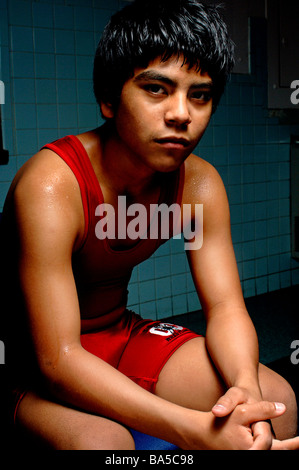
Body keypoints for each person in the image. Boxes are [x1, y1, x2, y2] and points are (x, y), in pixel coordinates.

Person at [0, 0, 298, 450]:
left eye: (199, 95)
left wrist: (245, 391)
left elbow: (225, 308)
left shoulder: (199, 185)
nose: (182, 114)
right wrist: (191, 430)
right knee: (104, 444)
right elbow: (57, 358)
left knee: (277, 401)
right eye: (157, 89)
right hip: (30, 362)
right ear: (108, 98)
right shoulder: (50, 186)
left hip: (118, 335)